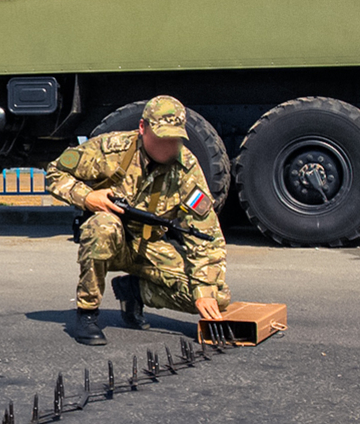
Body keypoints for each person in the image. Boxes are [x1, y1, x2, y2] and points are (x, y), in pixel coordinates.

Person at [45, 95, 231, 346]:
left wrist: (204, 291)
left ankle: (134, 291)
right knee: (102, 227)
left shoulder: (185, 169)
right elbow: (55, 171)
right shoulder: (110, 149)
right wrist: (88, 197)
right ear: (142, 128)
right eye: (161, 137)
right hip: (112, 240)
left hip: (149, 247)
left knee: (214, 296)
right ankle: (87, 314)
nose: (168, 146)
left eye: (174, 139)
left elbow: (206, 235)